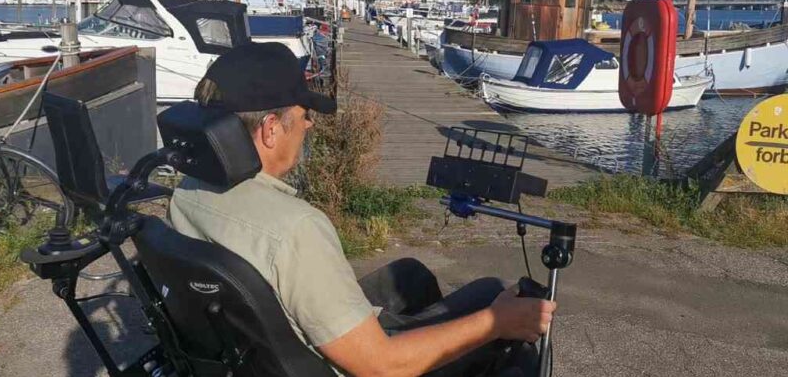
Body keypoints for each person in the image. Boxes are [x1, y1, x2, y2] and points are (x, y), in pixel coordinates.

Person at [168, 42, 556, 377]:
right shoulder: (294, 229)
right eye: (306, 116)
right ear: (271, 129)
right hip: (364, 365)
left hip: (259, 351)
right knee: (496, 301)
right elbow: (381, 367)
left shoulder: (187, 193)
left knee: (411, 275)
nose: (310, 127)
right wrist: (497, 322)